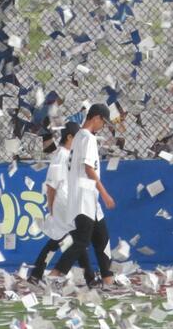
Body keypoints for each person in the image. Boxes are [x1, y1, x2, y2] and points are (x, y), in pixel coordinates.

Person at [49, 103, 115, 288]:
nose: (103, 126)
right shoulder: (88, 138)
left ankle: (108, 279)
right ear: (97, 118)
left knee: (101, 237)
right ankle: (55, 274)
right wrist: (105, 193)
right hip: (85, 195)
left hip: (85, 196)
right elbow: (88, 167)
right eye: (103, 122)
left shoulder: (78, 136)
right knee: (81, 241)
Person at [28, 121, 95, 285]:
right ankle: (89, 277)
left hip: (66, 202)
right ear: (70, 137)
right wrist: (51, 206)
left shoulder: (67, 155)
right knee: (78, 239)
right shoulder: (62, 156)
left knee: (66, 239)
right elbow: (51, 185)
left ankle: (36, 274)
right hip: (64, 203)